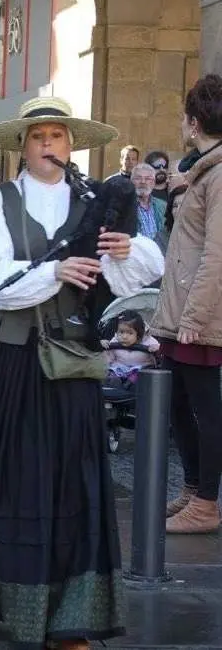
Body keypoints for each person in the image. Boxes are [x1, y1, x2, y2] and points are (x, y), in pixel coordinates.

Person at [0, 96, 164, 647]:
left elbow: (146, 270)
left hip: (71, 365)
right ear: (23, 146)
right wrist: (56, 269)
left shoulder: (94, 200)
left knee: (71, 487)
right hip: (10, 364)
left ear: (72, 145)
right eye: (39, 136)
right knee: (6, 483)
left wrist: (121, 250)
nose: (49, 144)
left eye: (58, 136)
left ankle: (68, 616)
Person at [150, 74, 222, 534]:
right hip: (180, 311)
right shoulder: (202, 171)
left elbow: (217, 252)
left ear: (193, 123)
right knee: (176, 401)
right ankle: (194, 489)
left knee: (205, 408)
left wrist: (194, 316)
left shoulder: (219, 174)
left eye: (183, 117)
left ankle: (208, 503)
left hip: (199, 315)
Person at [101, 309, 159, 390]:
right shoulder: (115, 341)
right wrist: (104, 347)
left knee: (139, 375)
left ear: (138, 333)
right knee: (109, 375)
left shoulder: (148, 341)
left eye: (130, 333)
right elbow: (109, 359)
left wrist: (156, 348)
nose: (124, 337)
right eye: (121, 332)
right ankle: (114, 388)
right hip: (120, 369)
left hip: (139, 370)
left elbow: (159, 352)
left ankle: (130, 386)